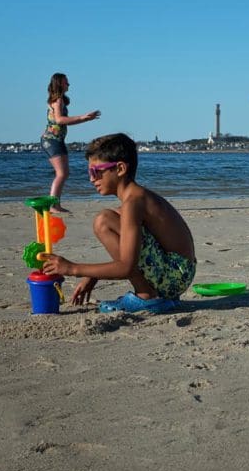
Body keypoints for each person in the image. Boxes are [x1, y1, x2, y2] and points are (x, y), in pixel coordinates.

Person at [41, 133, 197, 314]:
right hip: (178, 272)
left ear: (120, 168)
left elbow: (126, 266)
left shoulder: (134, 202)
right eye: (89, 173)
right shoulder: (135, 199)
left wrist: (72, 268)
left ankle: (147, 295)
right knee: (112, 216)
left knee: (103, 221)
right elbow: (132, 250)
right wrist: (92, 275)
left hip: (175, 275)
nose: (92, 179)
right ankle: (154, 294)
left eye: (96, 171)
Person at [41, 72, 101, 213]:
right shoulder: (58, 100)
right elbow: (59, 120)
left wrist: (84, 118)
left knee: (64, 173)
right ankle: (53, 205)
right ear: (60, 83)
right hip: (51, 140)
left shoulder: (59, 100)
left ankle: (55, 204)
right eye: (66, 82)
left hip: (55, 140)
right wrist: (84, 118)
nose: (69, 84)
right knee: (62, 173)